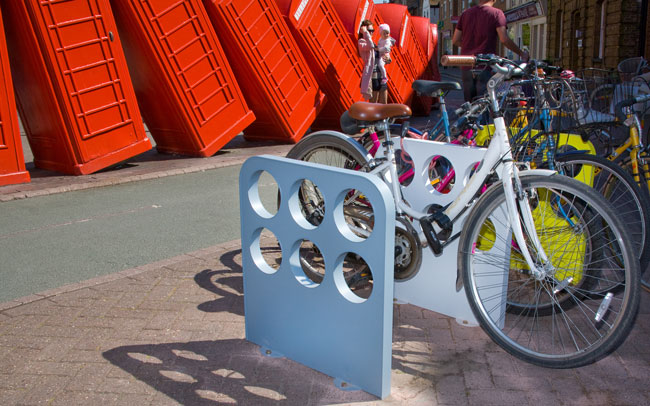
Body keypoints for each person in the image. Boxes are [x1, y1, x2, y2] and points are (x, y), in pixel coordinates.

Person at [452, 0, 529, 102]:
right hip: (485, 66)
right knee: (485, 103)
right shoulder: (497, 13)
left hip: (467, 65)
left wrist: (469, 46)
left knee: (469, 106)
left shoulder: (465, 14)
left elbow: (455, 40)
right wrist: (521, 53)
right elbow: (504, 39)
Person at [358, 20, 388, 103]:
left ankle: (384, 116)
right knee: (374, 104)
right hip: (373, 76)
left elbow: (378, 56)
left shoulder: (372, 42)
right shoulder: (361, 42)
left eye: (372, 31)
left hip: (381, 76)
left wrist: (386, 58)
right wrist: (365, 33)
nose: (371, 33)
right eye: (369, 31)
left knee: (384, 103)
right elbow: (370, 46)